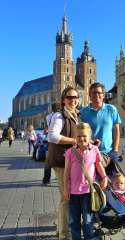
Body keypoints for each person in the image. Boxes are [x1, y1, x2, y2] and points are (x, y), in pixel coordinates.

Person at [64, 122, 108, 240]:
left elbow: (98, 165)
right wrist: (65, 188)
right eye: (78, 136)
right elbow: (66, 171)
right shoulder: (70, 152)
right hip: (73, 193)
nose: (81, 138)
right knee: (74, 220)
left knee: (88, 220)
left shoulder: (94, 150)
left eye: (84, 136)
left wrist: (104, 177)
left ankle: (89, 237)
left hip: (88, 192)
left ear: (90, 137)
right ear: (75, 137)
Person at [47, 86, 80, 240]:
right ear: (63, 100)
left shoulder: (74, 115)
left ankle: (61, 229)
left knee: (66, 197)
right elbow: (52, 136)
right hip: (61, 161)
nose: (73, 100)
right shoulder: (59, 116)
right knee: (66, 197)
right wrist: (74, 140)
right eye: (69, 97)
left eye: (75, 97)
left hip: (69, 161)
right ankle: (64, 235)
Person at [80, 83, 122, 176]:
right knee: (94, 183)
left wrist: (115, 150)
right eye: (93, 93)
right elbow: (81, 133)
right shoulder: (83, 112)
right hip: (90, 153)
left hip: (109, 153)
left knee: (114, 182)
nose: (96, 95)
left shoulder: (111, 109)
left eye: (99, 92)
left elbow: (116, 131)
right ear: (89, 95)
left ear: (103, 95)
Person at [43, 102, 62, 185]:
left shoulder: (48, 116)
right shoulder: (60, 115)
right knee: (59, 159)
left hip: (50, 140)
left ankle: (46, 179)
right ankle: (58, 177)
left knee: (49, 160)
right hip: (59, 139)